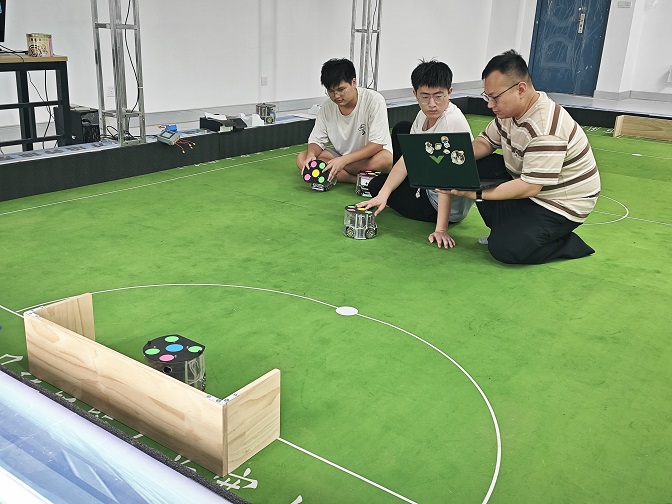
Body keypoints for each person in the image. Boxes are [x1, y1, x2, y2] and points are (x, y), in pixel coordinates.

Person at [446, 49, 601, 264]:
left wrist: (476, 193)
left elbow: (530, 187)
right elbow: (485, 142)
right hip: (530, 186)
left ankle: (566, 243)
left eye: (495, 98)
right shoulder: (508, 112)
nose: (490, 105)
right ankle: (508, 230)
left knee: (505, 249)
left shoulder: (545, 128)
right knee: (476, 165)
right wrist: (454, 159)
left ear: (520, 89)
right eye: (487, 97)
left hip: (560, 204)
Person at [357, 59, 474, 249]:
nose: (432, 104)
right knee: (402, 130)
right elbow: (407, 159)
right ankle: (395, 192)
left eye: (439, 96)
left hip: (441, 205)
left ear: (450, 92)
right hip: (428, 183)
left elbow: (447, 180)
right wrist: (383, 196)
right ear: (415, 94)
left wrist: (441, 229)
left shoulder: (451, 122)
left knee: (376, 185)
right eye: (425, 97)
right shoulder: (423, 115)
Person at [296, 58, 393, 184]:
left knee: (385, 160)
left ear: (354, 82)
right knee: (302, 158)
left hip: (369, 157)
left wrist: (343, 161)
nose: (336, 96)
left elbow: (376, 144)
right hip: (341, 156)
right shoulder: (327, 107)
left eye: (341, 90)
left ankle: (337, 171)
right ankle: (354, 179)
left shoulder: (374, 101)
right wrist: (311, 155)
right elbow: (317, 140)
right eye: (331, 91)